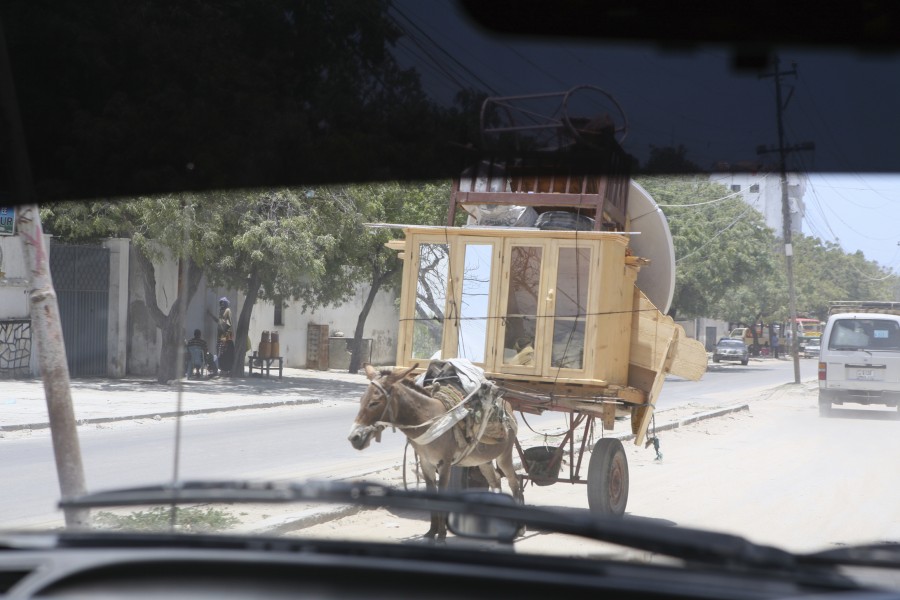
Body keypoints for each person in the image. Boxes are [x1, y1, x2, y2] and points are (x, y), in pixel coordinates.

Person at [215, 297, 234, 374]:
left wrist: (224, 335)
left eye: (222, 303)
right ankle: (222, 368)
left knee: (225, 351)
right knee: (221, 351)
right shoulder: (221, 311)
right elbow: (219, 322)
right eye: (220, 303)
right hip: (221, 334)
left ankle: (227, 368)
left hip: (226, 334)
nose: (221, 305)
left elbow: (229, 323)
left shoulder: (227, 310)